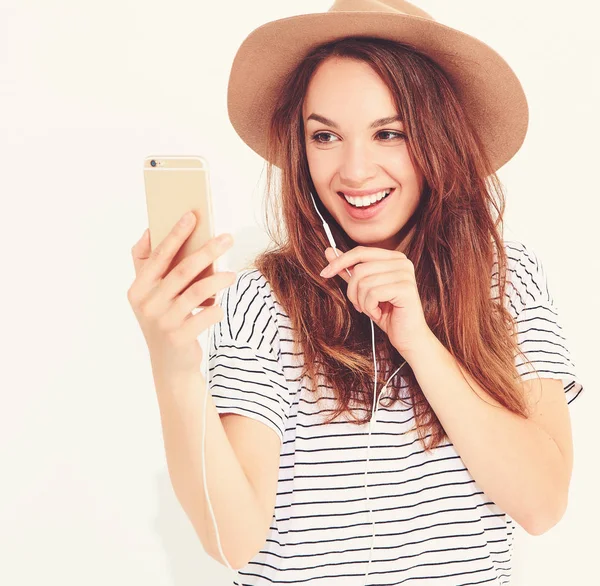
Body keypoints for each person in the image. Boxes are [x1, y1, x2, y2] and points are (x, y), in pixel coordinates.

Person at [129, 1, 584, 584]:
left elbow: (543, 506)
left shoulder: (506, 280)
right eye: (325, 136)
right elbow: (231, 541)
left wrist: (420, 342)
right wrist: (173, 364)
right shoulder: (264, 301)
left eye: (388, 132)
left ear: (439, 139)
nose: (355, 170)